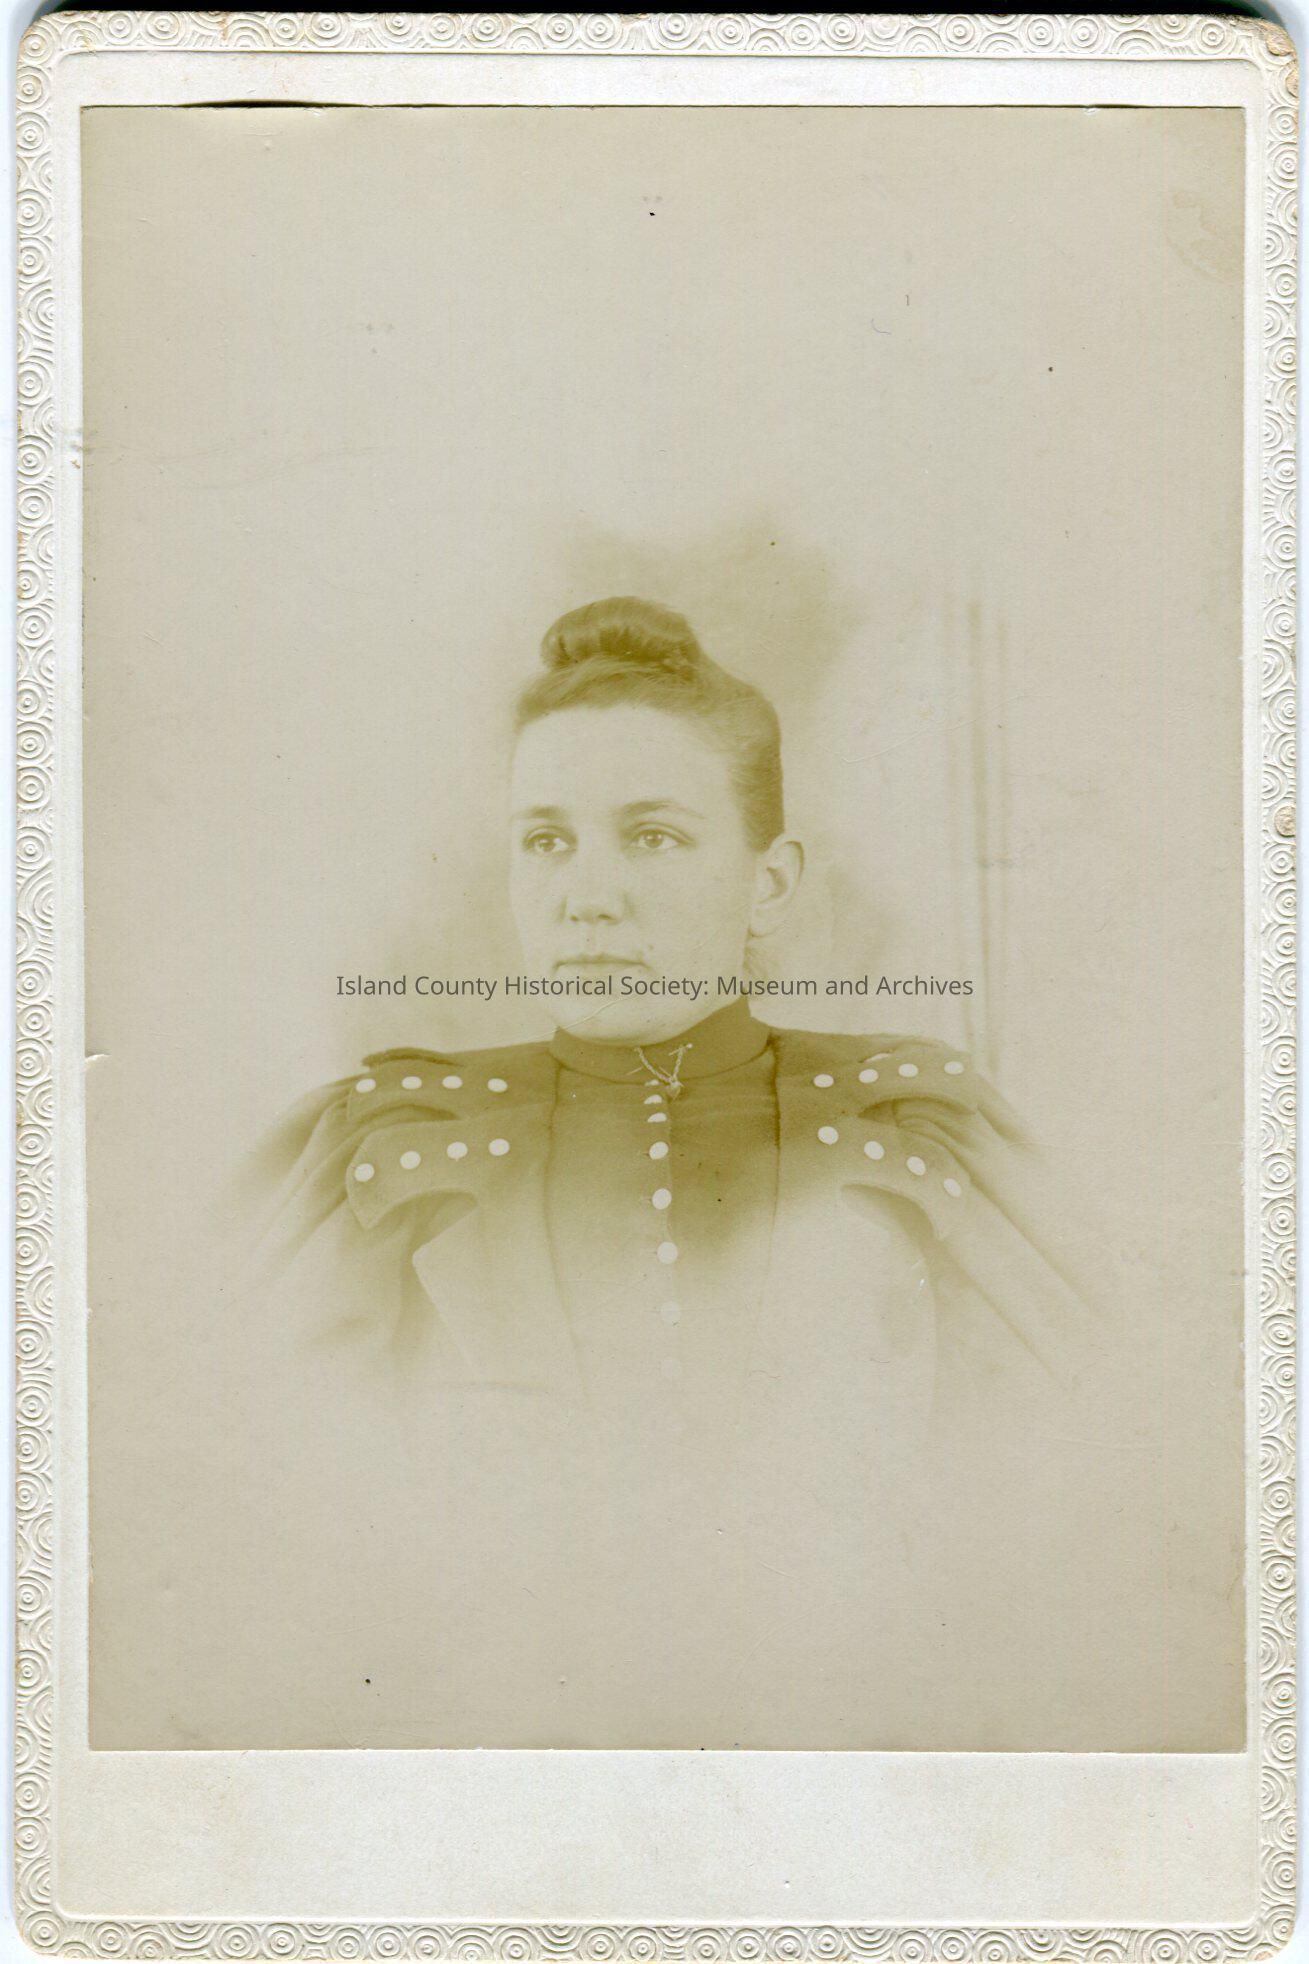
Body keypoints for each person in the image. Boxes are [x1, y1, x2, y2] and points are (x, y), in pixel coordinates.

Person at [238, 597, 1207, 1750]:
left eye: (652, 836)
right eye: (545, 839)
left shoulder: (920, 1134)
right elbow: (277, 1553)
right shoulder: (387, 1146)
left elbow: (1068, 1527)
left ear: (771, 880)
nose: (587, 893)